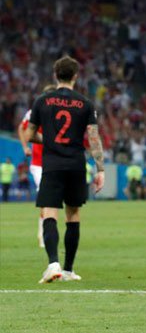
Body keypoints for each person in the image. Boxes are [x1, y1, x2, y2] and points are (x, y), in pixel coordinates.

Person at [24, 56, 105, 284]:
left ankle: (53, 265)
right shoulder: (86, 103)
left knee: (50, 212)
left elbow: (30, 135)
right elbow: (93, 137)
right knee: (73, 215)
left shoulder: (42, 101)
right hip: (76, 165)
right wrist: (100, 169)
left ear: (55, 74)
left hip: (52, 165)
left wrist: (49, 140)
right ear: (76, 77)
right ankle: (69, 270)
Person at [18, 84, 57, 247]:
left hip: (55, 162)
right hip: (38, 163)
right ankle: (43, 234)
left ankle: (44, 231)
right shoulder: (34, 112)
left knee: (53, 200)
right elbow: (22, 127)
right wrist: (25, 146)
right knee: (46, 196)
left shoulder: (61, 112)